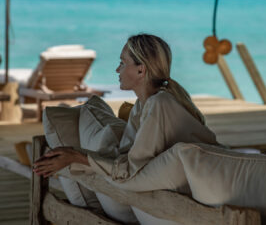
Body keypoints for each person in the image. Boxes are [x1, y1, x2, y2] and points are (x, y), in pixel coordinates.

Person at [33, 34, 218, 180]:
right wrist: (73, 158)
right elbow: (124, 155)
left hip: (212, 180)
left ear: (141, 70)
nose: (117, 70)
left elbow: (132, 168)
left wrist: (76, 156)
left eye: (122, 63)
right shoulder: (142, 106)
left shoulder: (160, 104)